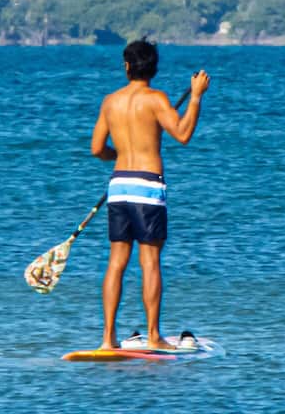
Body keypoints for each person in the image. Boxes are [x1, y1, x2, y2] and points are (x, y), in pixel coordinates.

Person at [88, 39, 208, 350]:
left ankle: (107, 339)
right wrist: (195, 98)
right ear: (153, 68)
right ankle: (154, 336)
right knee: (150, 261)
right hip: (147, 186)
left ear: (127, 66)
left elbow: (97, 149)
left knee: (116, 262)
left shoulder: (110, 101)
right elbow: (182, 134)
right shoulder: (156, 99)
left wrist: (121, 155)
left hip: (118, 186)